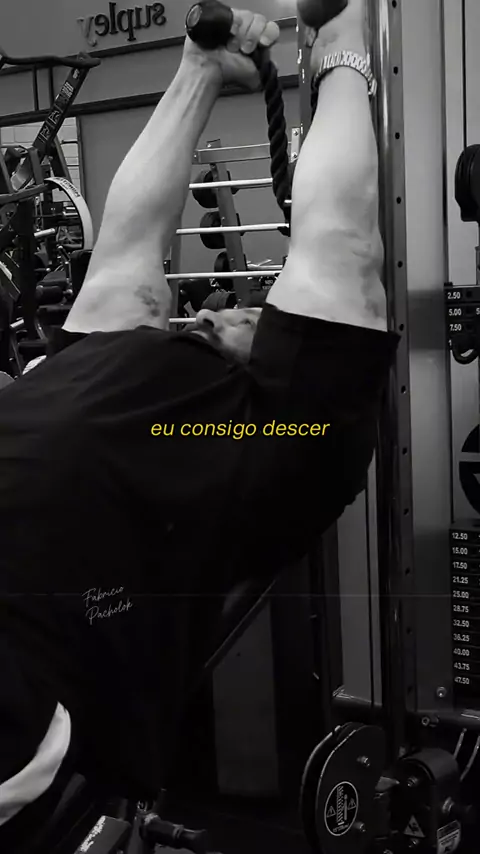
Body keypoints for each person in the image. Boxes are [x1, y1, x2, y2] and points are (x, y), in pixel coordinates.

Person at [0, 0, 398, 847]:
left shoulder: (275, 430)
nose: (227, 308)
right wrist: (248, 63)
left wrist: (331, 49)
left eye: (257, 311)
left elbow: (338, 249)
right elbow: (137, 255)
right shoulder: (156, 382)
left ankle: (231, 61)